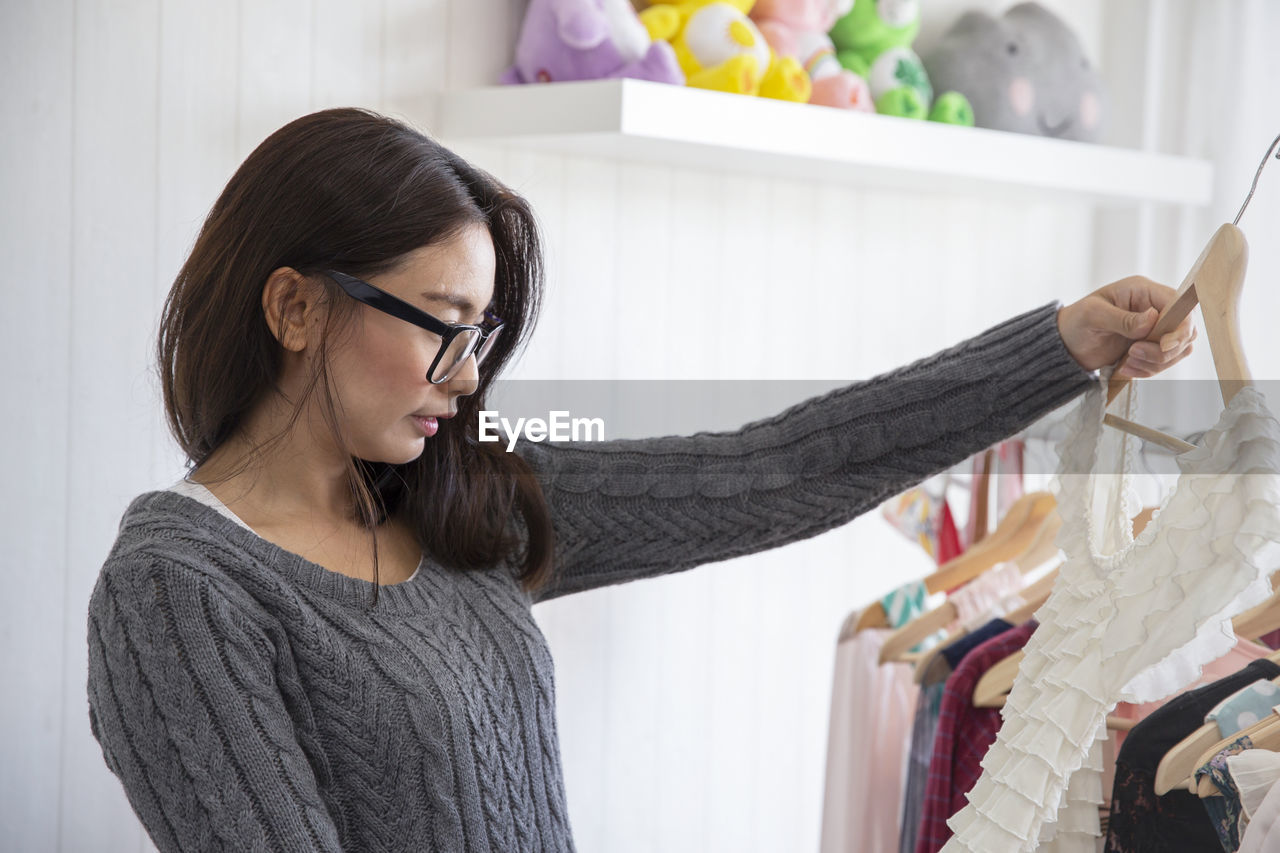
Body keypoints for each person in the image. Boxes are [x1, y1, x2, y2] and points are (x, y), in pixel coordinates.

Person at [85, 106, 1196, 853]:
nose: (467, 377)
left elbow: (778, 467)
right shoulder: (180, 590)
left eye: (484, 335)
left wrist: (1058, 344)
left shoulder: (453, 497)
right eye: (445, 326)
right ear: (293, 307)